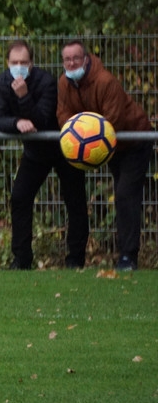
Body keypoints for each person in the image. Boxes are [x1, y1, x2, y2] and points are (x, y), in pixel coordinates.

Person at [0, 40, 88, 269]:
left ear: (31, 63)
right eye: (14, 62)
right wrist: (17, 122)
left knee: (75, 201)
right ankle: (22, 259)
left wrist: (24, 96)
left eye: (23, 62)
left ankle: (76, 259)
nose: (19, 67)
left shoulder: (46, 81)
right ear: (7, 63)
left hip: (63, 148)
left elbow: (43, 119)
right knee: (20, 197)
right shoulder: (1, 83)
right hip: (35, 152)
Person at [57, 40, 153, 271]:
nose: (72, 63)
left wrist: (87, 142)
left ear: (86, 59)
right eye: (67, 59)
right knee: (121, 195)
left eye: (76, 58)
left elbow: (113, 122)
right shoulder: (63, 83)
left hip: (134, 141)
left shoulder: (106, 82)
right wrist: (78, 139)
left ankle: (128, 257)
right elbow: (64, 115)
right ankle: (122, 254)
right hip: (108, 148)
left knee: (125, 194)